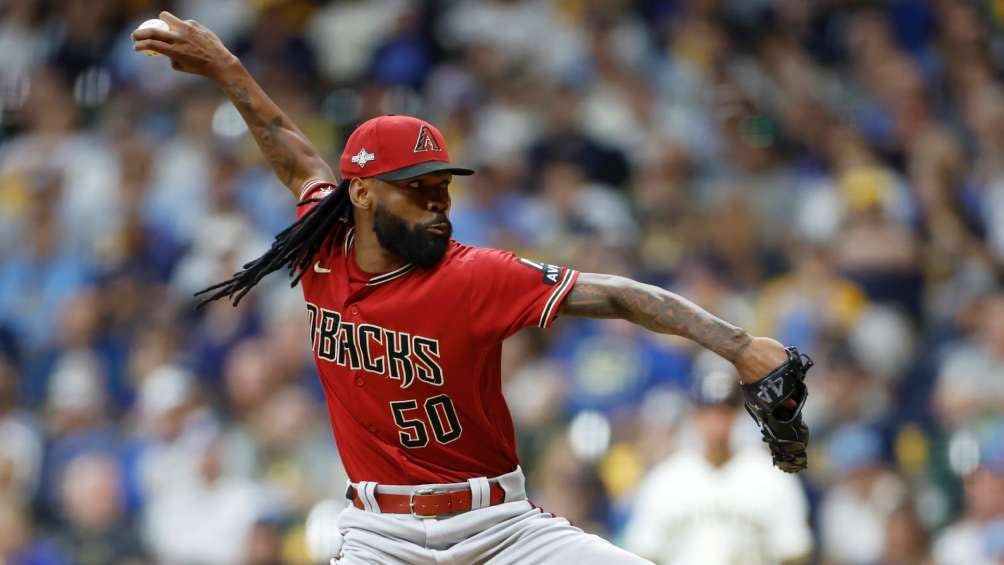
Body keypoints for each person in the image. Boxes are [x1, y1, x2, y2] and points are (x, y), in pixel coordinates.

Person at [132, 12, 811, 564]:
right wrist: (226, 68)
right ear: (361, 193)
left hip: (500, 528)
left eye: (442, 188)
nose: (438, 204)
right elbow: (288, 146)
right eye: (418, 189)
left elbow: (618, 294)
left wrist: (739, 343)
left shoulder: (471, 273)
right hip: (380, 536)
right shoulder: (321, 239)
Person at [623, 362, 812, 565]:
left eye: (724, 413)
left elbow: (794, 552)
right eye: (709, 413)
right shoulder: (664, 480)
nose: (717, 423)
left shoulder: (771, 476)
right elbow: (643, 553)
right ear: (695, 416)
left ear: (739, 416)